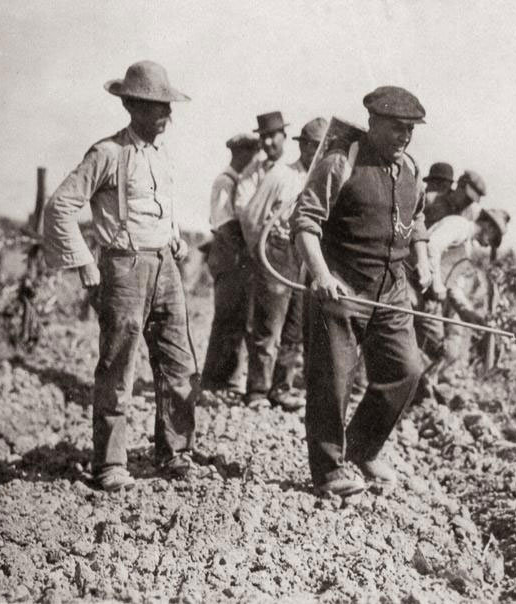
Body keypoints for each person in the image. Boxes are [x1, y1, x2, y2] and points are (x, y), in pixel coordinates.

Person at [41, 61, 197, 491]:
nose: (167, 115)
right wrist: (85, 262)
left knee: (179, 363)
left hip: (165, 265)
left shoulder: (162, 156)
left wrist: (175, 238)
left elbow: (159, 208)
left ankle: (176, 453)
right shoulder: (107, 154)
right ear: (132, 106)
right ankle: (110, 464)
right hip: (124, 267)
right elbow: (60, 207)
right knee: (118, 366)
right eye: (157, 106)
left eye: (168, 106)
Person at [291, 86, 432, 496]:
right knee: (333, 382)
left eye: (410, 129)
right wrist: (320, 275)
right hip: (341, 288)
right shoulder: (341, 161)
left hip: (391, 293)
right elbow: (305, 222)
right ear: (372, 124)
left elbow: (416, 219)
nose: (403, 137)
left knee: (405, 371)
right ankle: (330, 470)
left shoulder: (411, 171)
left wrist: (422, 260)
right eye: (395, 128)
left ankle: (363, 449)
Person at [239, 117, 328, 411]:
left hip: (305, 258)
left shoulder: (323, 183)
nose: (316, 153)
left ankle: (282, 387)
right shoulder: (282, 174)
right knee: (269, 326)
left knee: (294, 328)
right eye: (312, 146)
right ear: (302, 147)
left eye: (321, 148)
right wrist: (260, 253)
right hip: (277, 253)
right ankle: (257, 391)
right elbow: (252, 215)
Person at [414, 209, 509, 381]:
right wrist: (436, 283)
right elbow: (432, 245)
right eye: (492, 237)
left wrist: (470, 314)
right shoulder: (459, 225)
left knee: (447, 352)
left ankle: (421, 391)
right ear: (487, 225)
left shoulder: (467, 249)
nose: (488, 244)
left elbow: (452, 285)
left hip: (428, 302)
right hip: (414, 288)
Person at [200, 133, 260, 395]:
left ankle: (226, 377)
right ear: (240, 154)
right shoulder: (225, 182)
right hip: (228, 257)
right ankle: (214, 380)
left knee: (237, 319)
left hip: (236, 259)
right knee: (226, 319)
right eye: (251, 153)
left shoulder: (238, 182)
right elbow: (224, 223)